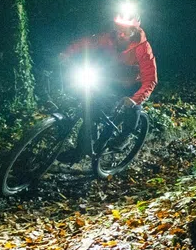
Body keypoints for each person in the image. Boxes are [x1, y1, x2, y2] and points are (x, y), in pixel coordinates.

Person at [56, 10, 157, 163]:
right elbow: (86, 42)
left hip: (132, 85)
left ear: (134, 30)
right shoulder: (109, 38)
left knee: (132, 108)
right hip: (111, 81)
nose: (121, 34)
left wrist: (135, 99)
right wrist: (67, 53)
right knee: (91, 112)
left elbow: (151, 79)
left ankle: (125, 135)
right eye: (119, 28)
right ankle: (80, 151)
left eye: (126, 31)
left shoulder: (143, 48)